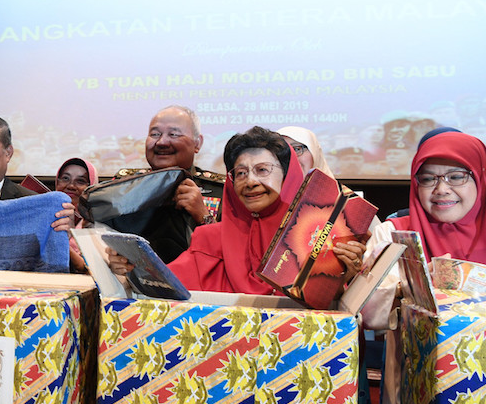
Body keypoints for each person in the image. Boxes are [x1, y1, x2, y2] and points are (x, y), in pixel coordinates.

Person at [361, 130, 486, 404]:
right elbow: (366, 313)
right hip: (415, 382)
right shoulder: (394, 235)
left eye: (457, 176)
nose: (441, 189)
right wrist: (415, 284)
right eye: (428, 178)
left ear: (482, 176)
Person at [110, 127, 365, 294]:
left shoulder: (316, 239)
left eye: (263, 170)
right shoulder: (209, 239)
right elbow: (164, 288)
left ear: (287, 178)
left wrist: (349, 277)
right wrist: (132, 270)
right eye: (241, 173)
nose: (250, 181)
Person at [109, 105, 226, 263]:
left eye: (174, 134)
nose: (162, 142)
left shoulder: (220, 190)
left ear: (197, 143)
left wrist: (202, 215)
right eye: (155, 134)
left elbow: (231, 254)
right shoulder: (125, 187)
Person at [55, 157, 98, 273]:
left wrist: (60, 240)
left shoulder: (98, 224)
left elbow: (90, 270)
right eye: (65, 178)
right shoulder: (46, 215)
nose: (71, 186)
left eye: (80, 181)